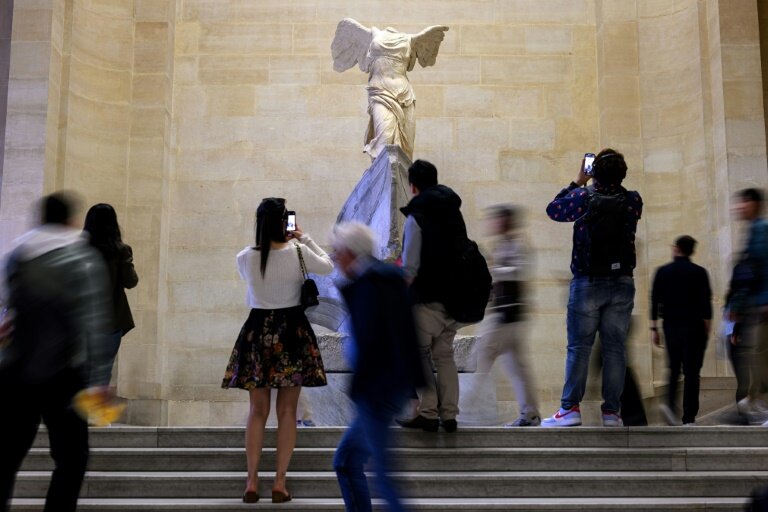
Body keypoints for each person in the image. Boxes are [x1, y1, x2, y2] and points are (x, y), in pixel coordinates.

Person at [0, 192, 113, 512]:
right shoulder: (81, 257)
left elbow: (7, 310)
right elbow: (94, 320)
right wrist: (99, 379)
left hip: (15, 370)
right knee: (72, 457)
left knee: (6, 456)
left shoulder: (17, 254)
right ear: (70, 220)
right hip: (64, 373)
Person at [221, 197, 332, 503]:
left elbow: (254, 282)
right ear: (285, 222)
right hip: (292, 331)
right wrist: (304, 237)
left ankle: (251, 481)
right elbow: (328, 266)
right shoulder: (298, 251)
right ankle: (279, 482)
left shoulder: (245, 257)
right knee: (287, 412)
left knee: (257, 411)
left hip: (257, 331)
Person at [543, 149, 643, 427]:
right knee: (615, 350)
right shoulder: (633, 200)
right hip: (622, 282)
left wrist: (578, 181)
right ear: (623, 174)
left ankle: (570, 409)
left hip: (587, 281)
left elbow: (553, 209)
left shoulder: (583, 198)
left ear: (594, 172)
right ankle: (612, 412)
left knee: (579, 348)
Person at [331, 222, 423, 512]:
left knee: (382, 476)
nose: (334, 258)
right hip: (386, 388)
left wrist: (361, 388)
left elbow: (374, 340)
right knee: (347, 461)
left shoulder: (370, 284)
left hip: (376, 390)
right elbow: (406, 335)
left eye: (336, 251)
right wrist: (412, 386)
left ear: (349, 252)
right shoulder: (383, 279)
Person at [396, 159, 466, 433]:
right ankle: (449, 415)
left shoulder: (417, 216)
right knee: (444, 354)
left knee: (418, 352)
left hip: (427, 298)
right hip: (455, 299)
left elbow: (411, 266)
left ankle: (428, 412)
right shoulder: (454, 212)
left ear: (413, 186)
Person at [461, 205, 541, 426]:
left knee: (478, 360)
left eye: (497, 219)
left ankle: (461, 411)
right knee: (517, 368)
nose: (492, 223)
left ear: (506, 221)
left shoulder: (517, 245)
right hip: (508, 316)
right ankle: (530, 413)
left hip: (506, 316)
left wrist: (493, 269)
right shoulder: (504, 245)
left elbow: (517, 272)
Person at [331, 18, 449, 160]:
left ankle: (399, 174)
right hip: (380, 91)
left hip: (405, 94)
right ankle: (383, 172)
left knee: (406, 148)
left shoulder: (410, 40)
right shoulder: (372, 36)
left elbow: (426, 58)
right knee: (384, 139)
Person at [650, 235, 712, 425]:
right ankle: (689, 417)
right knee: (692, 373)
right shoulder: (699, 272)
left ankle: (669, 407)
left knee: (674, 368)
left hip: (671, 326)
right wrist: (707, 329)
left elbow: (654, 301)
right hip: (694, 327)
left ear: (676, 248)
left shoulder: (662, 272)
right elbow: (706, 305)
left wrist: (654, 328)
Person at [83, 203, 139, 384]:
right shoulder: (121, 250)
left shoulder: (77, 250)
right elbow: (131, 281)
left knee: (81, 375)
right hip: (111, 320)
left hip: (82, 321)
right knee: (102, 375)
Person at [725, 188, 768, 421]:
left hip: (761, 304)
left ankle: (756, 401)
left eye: (745, 202)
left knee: (758, 354)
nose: (740, 207)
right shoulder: (753, 230)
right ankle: (754, 400)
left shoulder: (760, 230)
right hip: (754, 305)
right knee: (755, 354)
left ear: (755, 204)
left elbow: (760, 268)